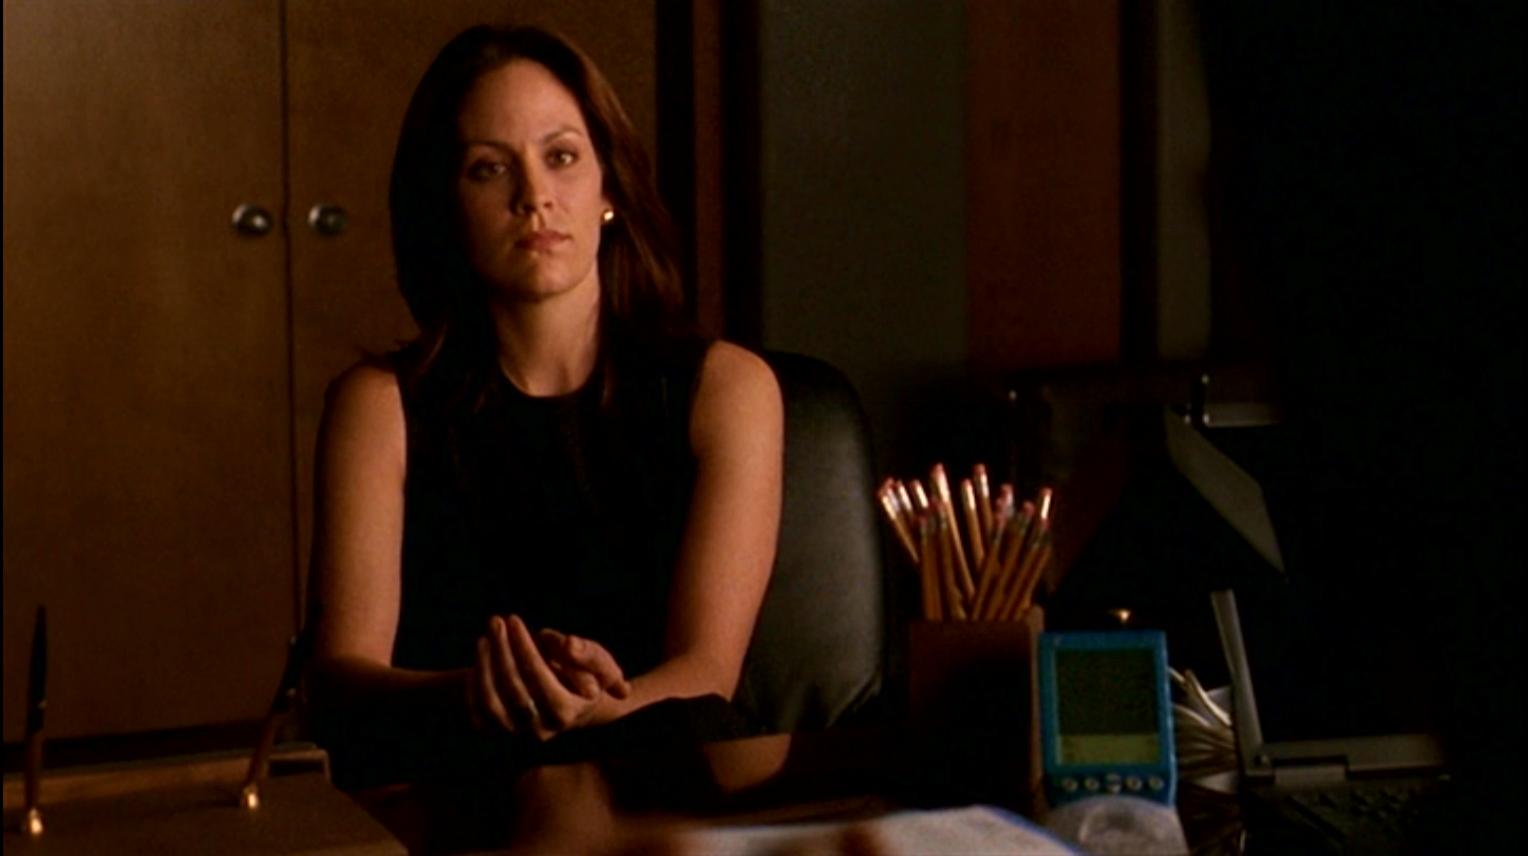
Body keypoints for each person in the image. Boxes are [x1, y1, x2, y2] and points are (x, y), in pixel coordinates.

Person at [305, 24, 782, 791]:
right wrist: (483, 693)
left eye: (561, 157)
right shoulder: (380, 406)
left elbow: (707, 671)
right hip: (456, 791)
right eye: (489, 169)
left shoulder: (729, 390)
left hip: (660, 787)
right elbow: (339, 678)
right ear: (446, 206)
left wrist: (593, 712)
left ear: (609, 188)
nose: (534, 197)